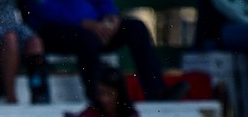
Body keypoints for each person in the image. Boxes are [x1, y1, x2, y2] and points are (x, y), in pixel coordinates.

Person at [23, 0, 186, 104]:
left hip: (95, 29)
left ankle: (156, 91)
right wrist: (85, 24)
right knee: (86, 38)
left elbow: (105, 3)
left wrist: (111, 19)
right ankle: (98, 97)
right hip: (51, 31)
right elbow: (42, 9)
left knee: (135, 27)